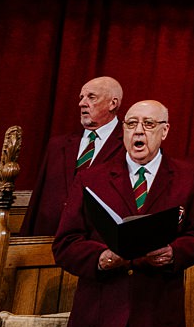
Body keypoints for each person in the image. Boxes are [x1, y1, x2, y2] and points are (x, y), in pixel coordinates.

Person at [53, 100, 194, 327]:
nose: (138, 131)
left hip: (156, 319)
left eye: (148, 124)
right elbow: (65, 243)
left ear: (165, 131)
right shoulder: (90, 178)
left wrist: (174, 253)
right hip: (98, 318)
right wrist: (101, 258)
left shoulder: (191, 177)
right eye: (131, 124)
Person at [23, 76, 126, 236]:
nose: (82, 103)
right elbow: (39, 197)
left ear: (113, 103)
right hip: (47, 239)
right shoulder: (57, 145)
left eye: (91, 97)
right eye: (81, 97)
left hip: (97, 242)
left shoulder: (130, 145)